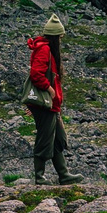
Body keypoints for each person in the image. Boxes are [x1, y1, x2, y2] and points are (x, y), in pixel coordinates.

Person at [24, 15, 74, 183]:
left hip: (52, 105)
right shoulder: (44, 49)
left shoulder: (47, 49)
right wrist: (49, 88)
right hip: (45, 104)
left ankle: (64, 174)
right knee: (45, 138)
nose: (61, 41)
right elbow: (36, 74)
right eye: (59, 37)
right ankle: (39, 176)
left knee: (58, 138)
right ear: (54, 37)